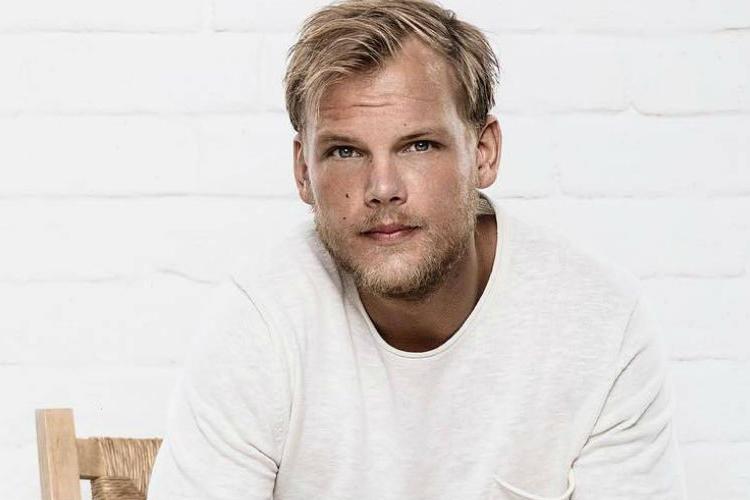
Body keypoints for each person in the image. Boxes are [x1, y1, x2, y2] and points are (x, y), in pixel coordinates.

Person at [147, 1, 688, 498]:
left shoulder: (600, 326)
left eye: (419, 145)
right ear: (303, 172)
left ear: (483, 153)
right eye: (345, 151)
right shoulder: (260, 321)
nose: (382, 188)